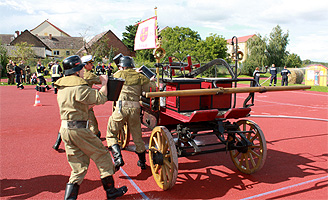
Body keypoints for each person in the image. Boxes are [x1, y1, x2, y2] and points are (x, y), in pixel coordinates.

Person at [55, 55, 127, 200]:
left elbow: (79, 105)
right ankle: (111, 191)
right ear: (76, 71)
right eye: (81, 68)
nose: (83, 71)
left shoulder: (62, 87)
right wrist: (105, 84)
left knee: (78, 166)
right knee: (103, 155)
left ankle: (70, 198)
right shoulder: (78, 87)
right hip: (79, 129)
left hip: (65, 129)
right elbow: (100, 98)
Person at [106, 56, 156, 171]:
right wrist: (151, 81)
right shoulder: (140, 77)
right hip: (135, 109)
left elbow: (112, 81)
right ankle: (142, 162)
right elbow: (150, 89)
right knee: (138, 137)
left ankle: (118, 158)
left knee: (111, 133)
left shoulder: (118, 74)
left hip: (120, 108)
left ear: (122, 66)